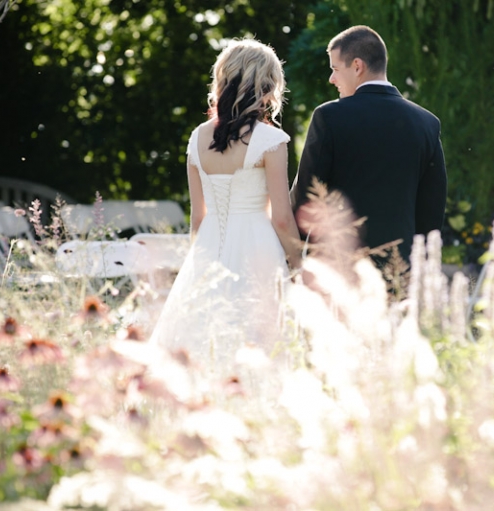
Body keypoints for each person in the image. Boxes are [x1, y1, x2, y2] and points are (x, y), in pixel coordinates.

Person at [149, 39, 301, 369]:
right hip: (257, 248)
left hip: (207, 247)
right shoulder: (271, 140)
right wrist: (300, 263)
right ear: (267, 85)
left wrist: (199, 262)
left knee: (203, 338)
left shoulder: (197, 137)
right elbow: (281, 218)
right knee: (263, 339)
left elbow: (197, 218)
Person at [290, 25, 447, 263]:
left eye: (335, 69)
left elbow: (306, 196)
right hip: (401, 266)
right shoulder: (427, 123)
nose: (332, 79)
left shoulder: (329, 117)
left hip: (339, 267)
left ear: (357, 66)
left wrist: (293, 254)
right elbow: (432, 210)